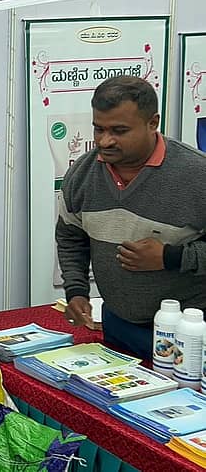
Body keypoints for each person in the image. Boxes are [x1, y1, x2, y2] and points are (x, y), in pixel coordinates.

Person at [59, 75, 206, 359]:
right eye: (98, 129)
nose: (105, 141)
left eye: (119, 130)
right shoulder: (82, 174)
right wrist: (76, 291)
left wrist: (169, 257)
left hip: (190, 334)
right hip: (118, 325)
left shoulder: (197, 176)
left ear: (153, 123)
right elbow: (70, 237)